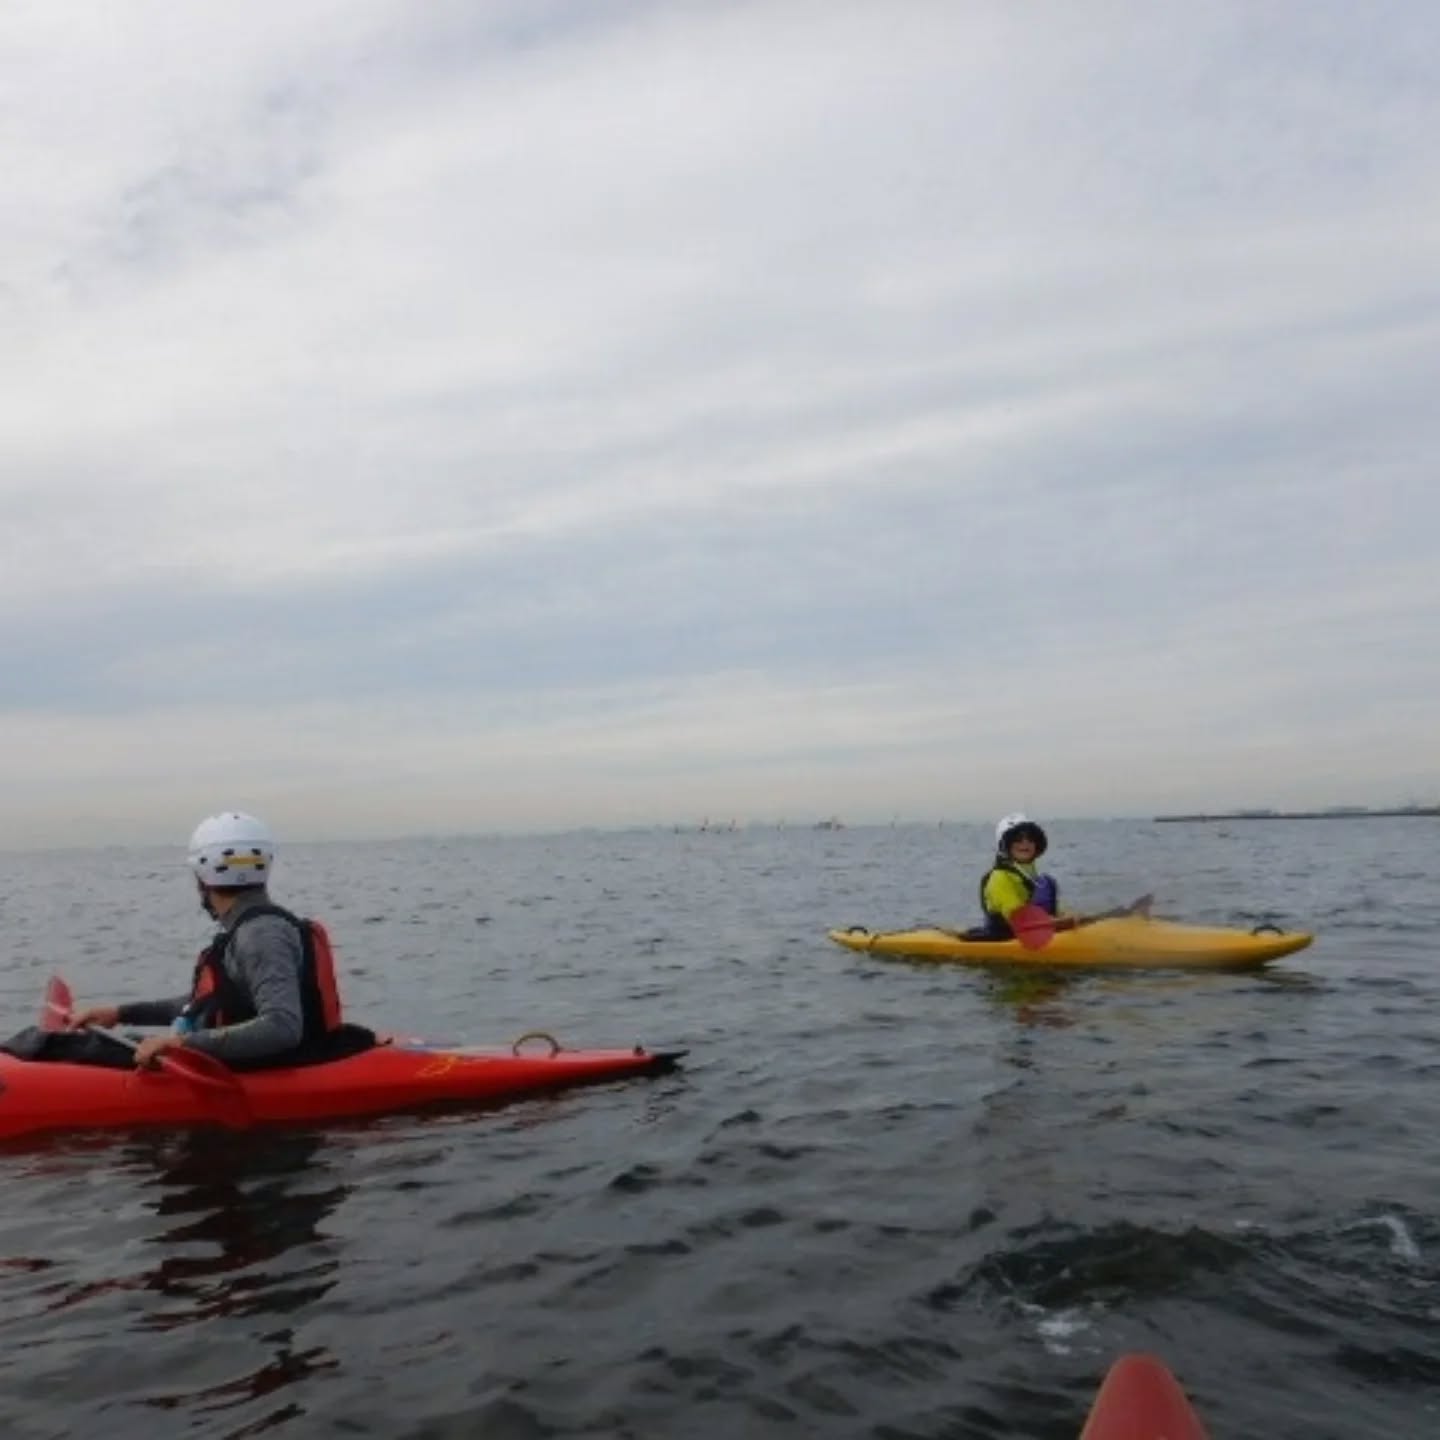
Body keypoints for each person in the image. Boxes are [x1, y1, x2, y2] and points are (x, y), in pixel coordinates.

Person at [68, 811, 358, 1070]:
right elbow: (206, 1003)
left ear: (202, 878)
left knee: (68, 1050)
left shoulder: (260, 935)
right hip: (258, 1061)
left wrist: (184, 1044)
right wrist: (121, 1014)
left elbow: (282, 1027)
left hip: (276, 1069)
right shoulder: (253, 929)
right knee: (100, 1045)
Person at [976, 812, 1081, 940]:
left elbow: (1044, 905)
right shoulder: (999, 879)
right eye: (1017, 838)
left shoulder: (1029, 873)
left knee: (1046, 883)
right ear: (1005, 845)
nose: (1025, 843)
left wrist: (1067, 916)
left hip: (1036, 928)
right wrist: (1062, 924)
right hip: (1006, 935)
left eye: (1031, 838)